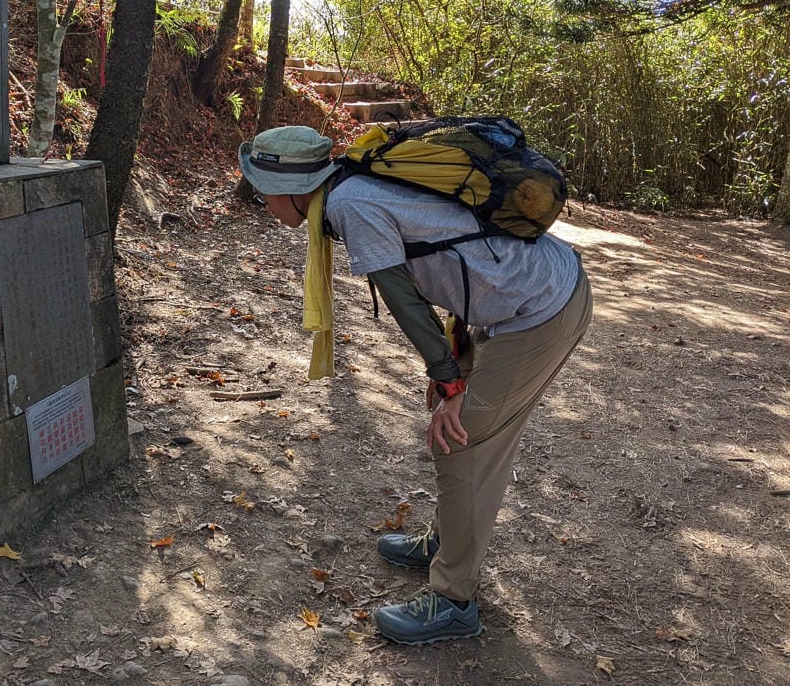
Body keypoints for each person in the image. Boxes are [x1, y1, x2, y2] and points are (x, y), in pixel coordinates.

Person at [238, 124, 593, 646]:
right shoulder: (353, 185)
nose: (264, 204)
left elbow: (402, 296)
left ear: (291, 189)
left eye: (263, 192)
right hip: (520, 297)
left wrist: (447, 378)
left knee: (461, 441)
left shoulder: (351, 205)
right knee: (461, 436)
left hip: (541, 308)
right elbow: (446, 258)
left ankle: (453, 601)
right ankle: (446, 543)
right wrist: (453, 355)